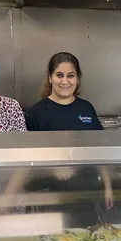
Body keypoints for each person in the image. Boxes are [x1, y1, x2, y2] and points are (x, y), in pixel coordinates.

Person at [25, 52, 113, 210]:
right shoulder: (35, 113)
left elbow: (99, 151)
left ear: (77, 79)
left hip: (88, 193)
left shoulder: (86, 108)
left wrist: (107, 186)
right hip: (52, 196)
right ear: (50, 77)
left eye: (70, 76)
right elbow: (28, 163)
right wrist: (52, 168)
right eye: (59, 75)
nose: (65, 81)